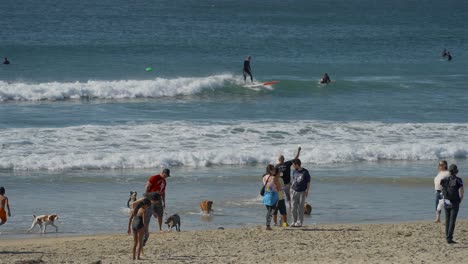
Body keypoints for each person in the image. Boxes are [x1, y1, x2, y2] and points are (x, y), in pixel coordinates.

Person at [441, 164, 464, 244]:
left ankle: (447, 236)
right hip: (455, 202)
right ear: (456, 171)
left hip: (446, 201)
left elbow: (442, 191)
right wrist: (460, 200)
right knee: (452, 221)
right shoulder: (459, 179)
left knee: (447, 220)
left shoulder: (444, 179)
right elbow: (462, 192)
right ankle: (449, 238)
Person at [145, 168, 170, 233]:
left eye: (167, 176)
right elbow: (147, 187)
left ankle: (160, 229)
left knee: (160, 214)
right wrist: (146, 197)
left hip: (159, 199)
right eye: (165, 175)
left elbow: (163, 192)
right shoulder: (154, 177)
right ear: (163, 173)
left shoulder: (164, 181)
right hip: (151, 198)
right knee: (148, 214)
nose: (166, 177)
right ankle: (146, 229)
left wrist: (164, 202)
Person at [290, 159, 310, 227]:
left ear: (297, 164)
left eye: (293, 164)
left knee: (301, 207)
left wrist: (307, 191)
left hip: (302, 191)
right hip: (294, 191)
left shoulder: (305, 172)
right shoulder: (294, 171)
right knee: (293, 207)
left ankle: (299, 222)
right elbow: (293, 180)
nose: (292, 166)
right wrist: (291, 188)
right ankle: (294, 221)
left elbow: (308, 182)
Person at [262, 165, 281, 230]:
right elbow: (279, 188)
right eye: (273, 170)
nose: (275, 171)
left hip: (266, 196)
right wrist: (281, 197)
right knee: (271, 212)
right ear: (270, 170)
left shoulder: (264, 177)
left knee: (269, 212)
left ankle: (268, 225)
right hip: (273, 197)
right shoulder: (274, 178)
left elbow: (266, 186)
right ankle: (268, 226)